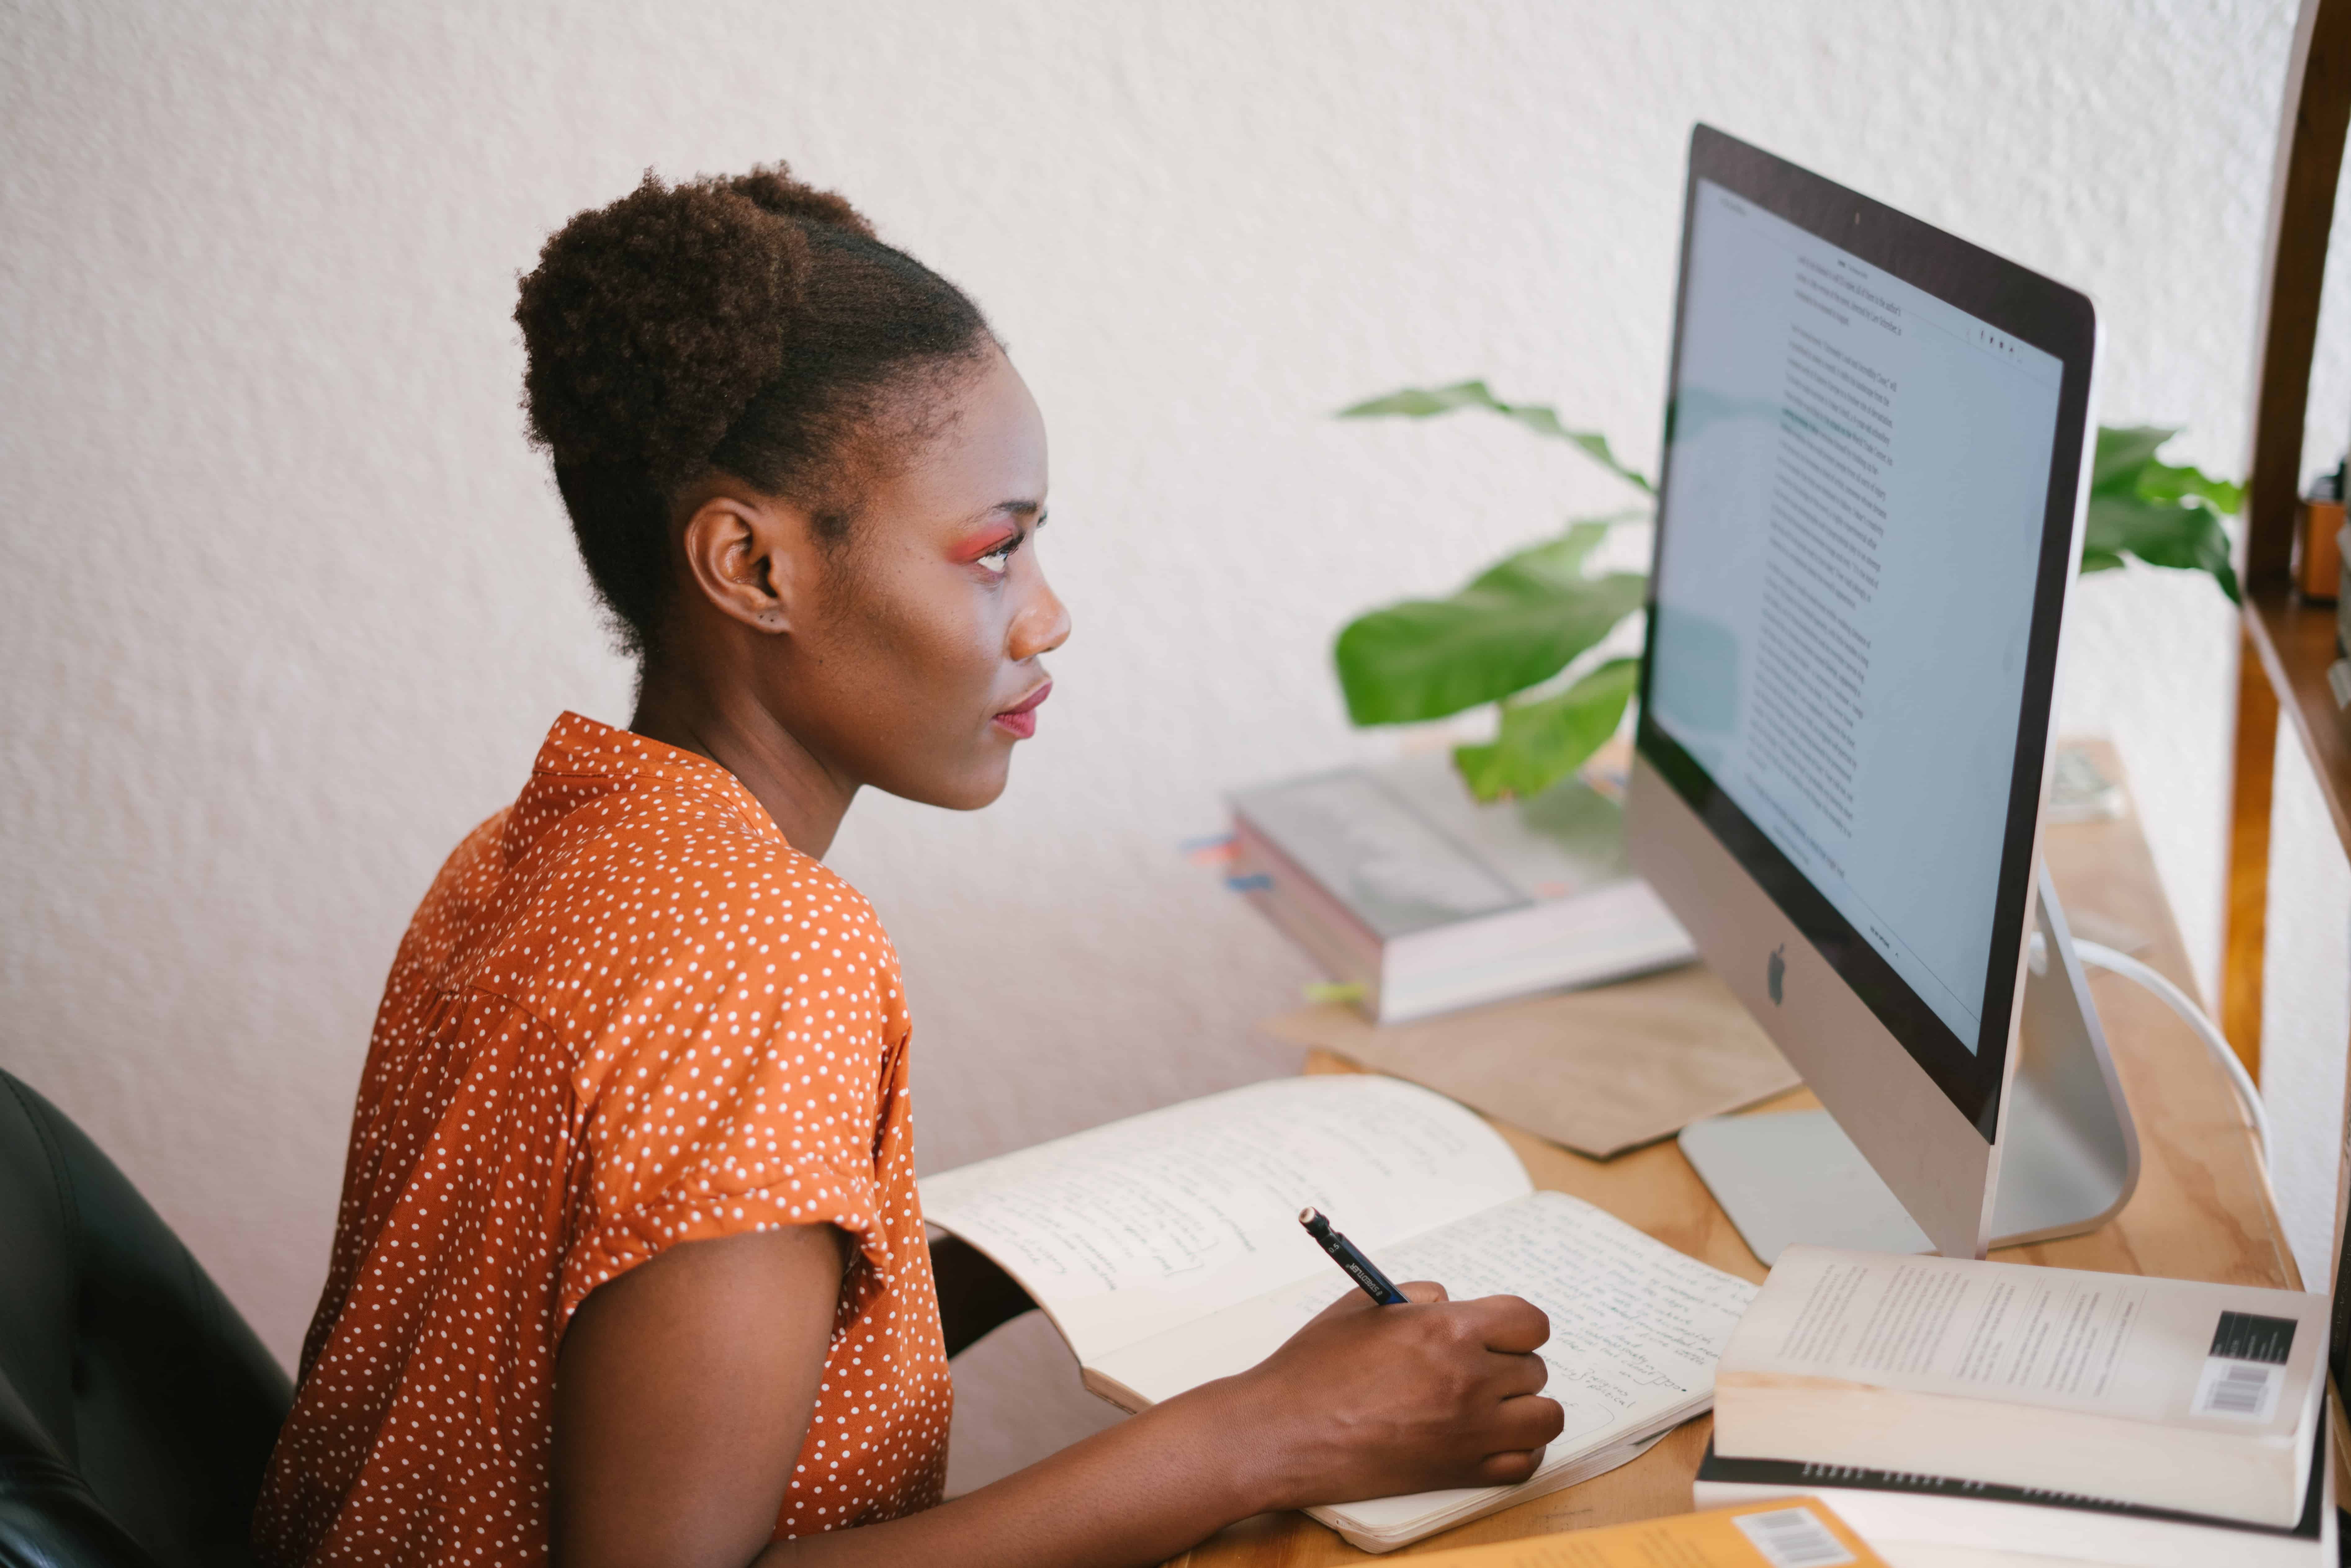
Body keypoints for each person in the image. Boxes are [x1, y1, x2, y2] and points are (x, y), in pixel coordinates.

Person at [253, 164, 1564, 1568]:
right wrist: (1263, 1432)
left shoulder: (534, 847)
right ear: (753, 569)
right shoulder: (766, 953)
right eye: (994, 551)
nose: (1046, 618)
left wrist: (969, 1278)